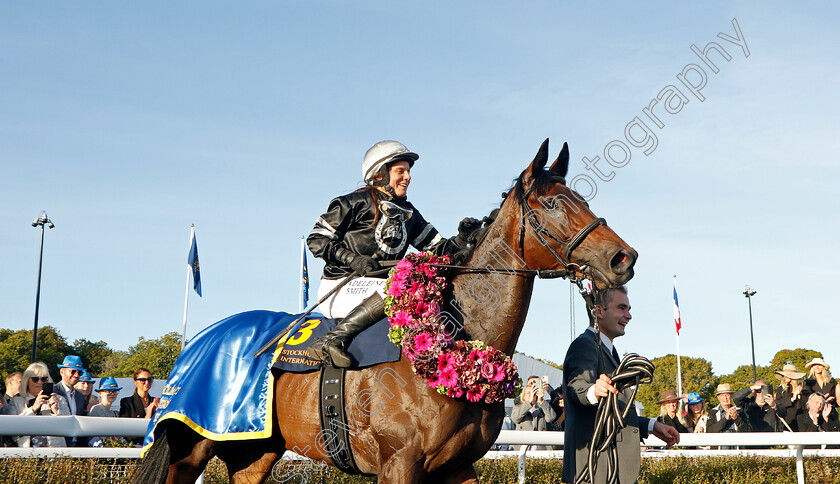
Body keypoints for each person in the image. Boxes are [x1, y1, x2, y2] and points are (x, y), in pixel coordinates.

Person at [306, 140, 472, 368]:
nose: (408, 177)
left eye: (408, 171)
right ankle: (331, 340)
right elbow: (317, 239)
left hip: (379, 289)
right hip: (341, 286)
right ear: (380, 175)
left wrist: (463, 239)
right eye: (400, 171)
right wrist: (352, 259)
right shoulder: (352, 203)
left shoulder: (410, 213)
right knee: (400, 289)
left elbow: (438, 249)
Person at [562, 286, 679, 484]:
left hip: (610, 470)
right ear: (598, 311)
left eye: (628, 309)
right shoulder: (584, 344)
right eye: (622, 308)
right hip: (596, 470)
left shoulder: (607, 349)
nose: (629, 315)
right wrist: (593, 391)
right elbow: (576, 387)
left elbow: (613, 412)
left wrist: (652, 426)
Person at [5, 362, 70, 447]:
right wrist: (33, 409)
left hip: (54, 453)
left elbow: (68, 427)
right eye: (35, 379)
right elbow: (12, 429)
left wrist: (56, 411)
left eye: (43, 379)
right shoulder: (16, 402)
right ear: (27, 381)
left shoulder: (59, 400)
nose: (39, 382)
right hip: (26, 454)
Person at [511, 375, 558, 450]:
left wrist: (541, 400)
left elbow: (551, 418)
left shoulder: (543, 407)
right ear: (523, 395)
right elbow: (515, 418)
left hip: (540, 447)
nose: (531, 394)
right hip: (522, 447)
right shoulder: (519, 406)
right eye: (528, 393)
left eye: (533, 392)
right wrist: (529, 402)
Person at [52, 355, 89, 447]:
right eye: (73, 371)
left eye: (79, 372)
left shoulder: (80, 396)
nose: (76, 375)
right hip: (58, 442)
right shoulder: (53, 392)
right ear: (62, 371)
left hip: (77, 443)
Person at [120, 368, 159, 446]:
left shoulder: (156, 401)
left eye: (149, 379)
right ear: (135, 382)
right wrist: (148, 414)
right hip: (135, 445)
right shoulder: (127, 402)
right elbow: (126, 432)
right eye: (142, 380)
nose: (147, 382)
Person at [88, 377, 124, 447]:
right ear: (100, 393)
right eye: (108, 391)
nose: (112, 394)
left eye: (114, 391)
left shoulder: (115, 413)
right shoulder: (97, 409)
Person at [774, 363, 806, 431]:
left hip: (802, 422)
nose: (784, 377)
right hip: (787, 422)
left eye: (787, 375)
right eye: (784, 375)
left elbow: (807, 404)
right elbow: (778, 403)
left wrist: (799, 395)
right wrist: (792, 399)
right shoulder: (781, 389)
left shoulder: (805, 388)